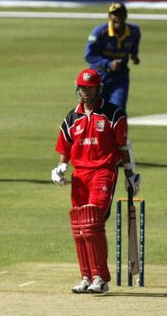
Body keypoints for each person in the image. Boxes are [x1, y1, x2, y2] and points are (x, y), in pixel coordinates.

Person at [51, 68, 140, 294]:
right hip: (79, 175)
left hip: (103, 171)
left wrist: (131, 174)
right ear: (77, 89)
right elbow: (65, 147)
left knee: (92, 221)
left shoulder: (112, 114)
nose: (86, 92)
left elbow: (123, 146)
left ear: (98, 88)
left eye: (90, 88)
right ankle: (86, 276)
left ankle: (100, 277)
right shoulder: (72, 117)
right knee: (80, 226)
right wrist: (61, 167)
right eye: (82, 88)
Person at [84, 1, 141, 113]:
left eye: (121, 14)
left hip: (120, 76)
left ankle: (119, 131)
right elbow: (89, 56)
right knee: (96, 110)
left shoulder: (134, 31)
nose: (118, 17)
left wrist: (134, 55)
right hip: (99, 76)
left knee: (118, 110)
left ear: (126, 15)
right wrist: (109, 64)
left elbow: (134, 44)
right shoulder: (100, 32)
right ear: (110, 16)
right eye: (115, 14)